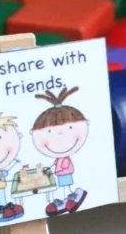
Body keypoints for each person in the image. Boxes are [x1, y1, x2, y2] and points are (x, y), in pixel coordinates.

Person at [30, 86, 89, 215]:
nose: (60, 136)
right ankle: (67, 198)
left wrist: (55, 170)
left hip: (64, 175)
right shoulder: (59, 158)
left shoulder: (65, 158)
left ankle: (69, 197)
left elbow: (67, 167)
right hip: (61, 175)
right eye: (50, 131)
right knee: (62, 187)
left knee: (65, 187)